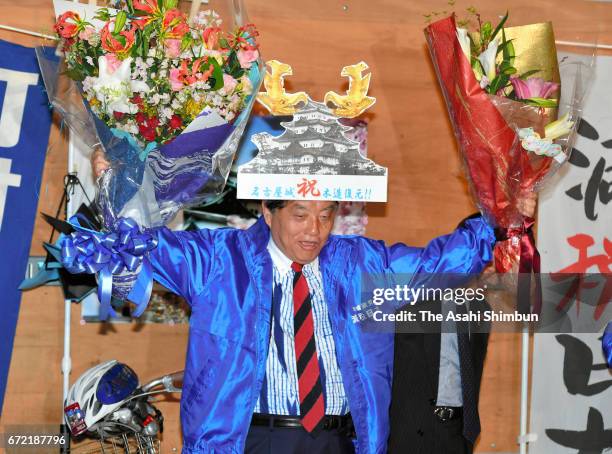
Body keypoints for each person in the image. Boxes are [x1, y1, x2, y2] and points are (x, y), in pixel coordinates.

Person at [388, 197, 537, 454]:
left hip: (456, 437)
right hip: (407, 437)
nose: (503, 260)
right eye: (495, 248)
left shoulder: (481, 311)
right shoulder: (415, 297)